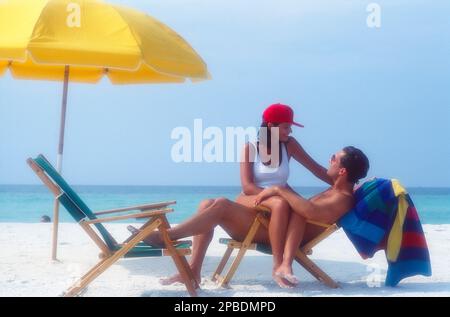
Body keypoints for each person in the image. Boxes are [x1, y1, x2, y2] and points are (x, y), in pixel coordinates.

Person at [128, 145, 369, 289]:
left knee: (221, 205)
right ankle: (193, 271)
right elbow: (304, 209)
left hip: (275, 237)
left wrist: (279, 190)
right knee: (207, 204)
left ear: (343, 171)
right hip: (275, 228)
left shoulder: (341, 198)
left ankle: (167, 237)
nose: (329, 160)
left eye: (334, 158)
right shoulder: (336, 191)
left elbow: (310, 212)